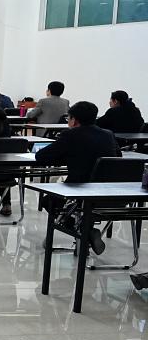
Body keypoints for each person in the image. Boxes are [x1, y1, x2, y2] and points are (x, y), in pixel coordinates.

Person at [35, 101, 121, 255]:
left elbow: (41, 156)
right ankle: (86, 231)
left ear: (74, 120)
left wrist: (66, 155)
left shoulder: (70, 135)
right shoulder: (108, 134)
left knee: (48, 201)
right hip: (109, 192)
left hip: (78, 190)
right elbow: (117, 157)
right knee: (82, 206)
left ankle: (84, 231)